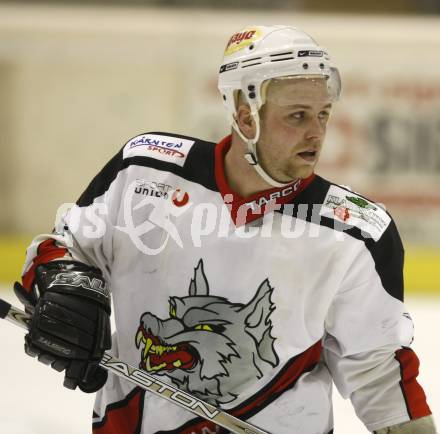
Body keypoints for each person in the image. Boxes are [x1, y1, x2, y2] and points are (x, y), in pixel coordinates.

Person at [14, 25, 436, 434]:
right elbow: (60, 247)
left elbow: (379, 373)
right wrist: (63, 283)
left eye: (324, 114)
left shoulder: (356, 232)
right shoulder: (144, 173)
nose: (317, 132)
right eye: (298, 115)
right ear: (245, 116)